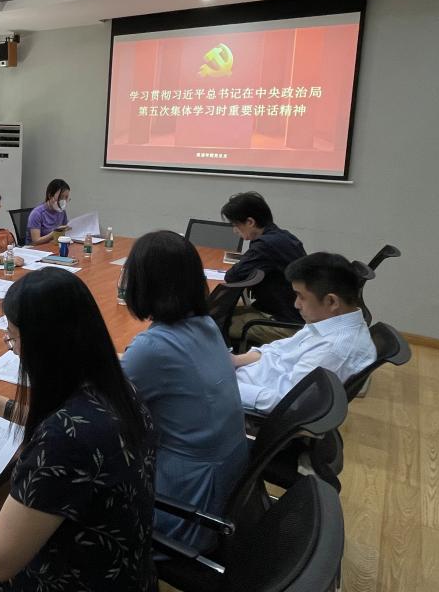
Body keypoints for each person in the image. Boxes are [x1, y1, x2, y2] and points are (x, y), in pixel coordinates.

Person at [0, 268, 157, 592]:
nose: (13, 349)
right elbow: (74, 423)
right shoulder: (118, 388)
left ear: (43, 346)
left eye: (12, 338)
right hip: (126, 571)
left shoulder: (64, 441)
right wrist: (3, 405)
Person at [121, 231, 248, 550]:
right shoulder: (205, 324)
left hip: (185, 509)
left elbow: (97, 409)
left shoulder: (153, 348)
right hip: (224, 487)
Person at [233, 252, 377, 413]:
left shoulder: (333, 349)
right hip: (247, 379)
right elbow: (281, 350)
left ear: (331, 301)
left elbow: (285, 402)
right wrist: (236, 360)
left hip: (243, 396)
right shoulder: (328, 320)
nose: (296, 304)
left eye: (301, 297)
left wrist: (225, 387)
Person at [221, 191, 306, 343]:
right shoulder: (283, 236)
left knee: (216, 323)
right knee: (224, 311)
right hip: (297, 314)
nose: (234, 230)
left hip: (286, 325)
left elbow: (232, 276)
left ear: (250, 222)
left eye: (235, 225)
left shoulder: (265, 245)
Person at [25, 178, 70, 245]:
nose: (63, 201)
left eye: (66, 197)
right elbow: (35, 241)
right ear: (50, 196)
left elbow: (64, 233)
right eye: (61, 197)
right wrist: (55, 233)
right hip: (35, 248)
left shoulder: (62, 212)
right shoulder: (37, 213)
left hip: (53, 245)